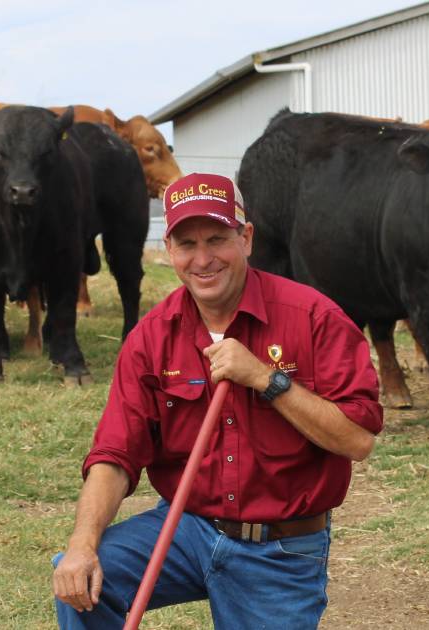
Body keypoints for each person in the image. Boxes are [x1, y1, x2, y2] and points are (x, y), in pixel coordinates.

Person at [52, 173, 383, 629]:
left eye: (217, 239)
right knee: (82, 582)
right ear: (169, 251)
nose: (203, 259)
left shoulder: (313, 318)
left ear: (245, 238)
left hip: (280, 548)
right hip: (187, 529)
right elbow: (115, 454)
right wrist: (82, 546)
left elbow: (357, 439)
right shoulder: (152, 336)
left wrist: (267, 380)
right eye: (186, 244)